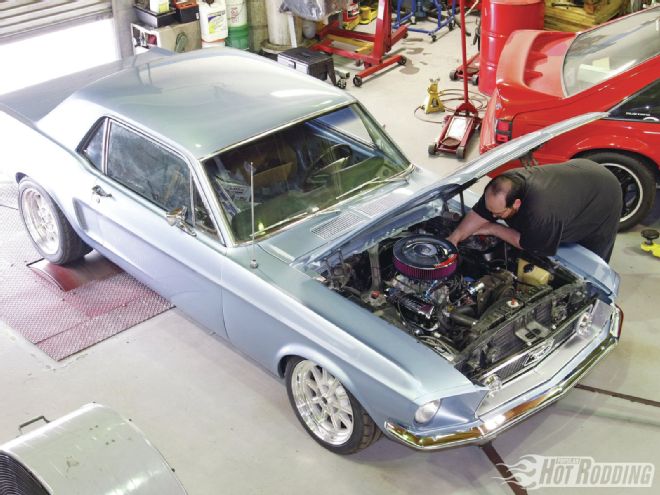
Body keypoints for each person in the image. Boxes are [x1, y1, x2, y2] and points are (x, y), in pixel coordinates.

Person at [447, 159, 622, 262]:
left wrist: (494, 228)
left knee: (590, 258)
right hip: (578, 172)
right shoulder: (502, 187)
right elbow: (480, 213)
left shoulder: (542, 214)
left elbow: (529, 244)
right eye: (491, 211)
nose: (492, 216)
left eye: (498, 214)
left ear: (516, 204)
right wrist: (455, 237)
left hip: (604, 192)